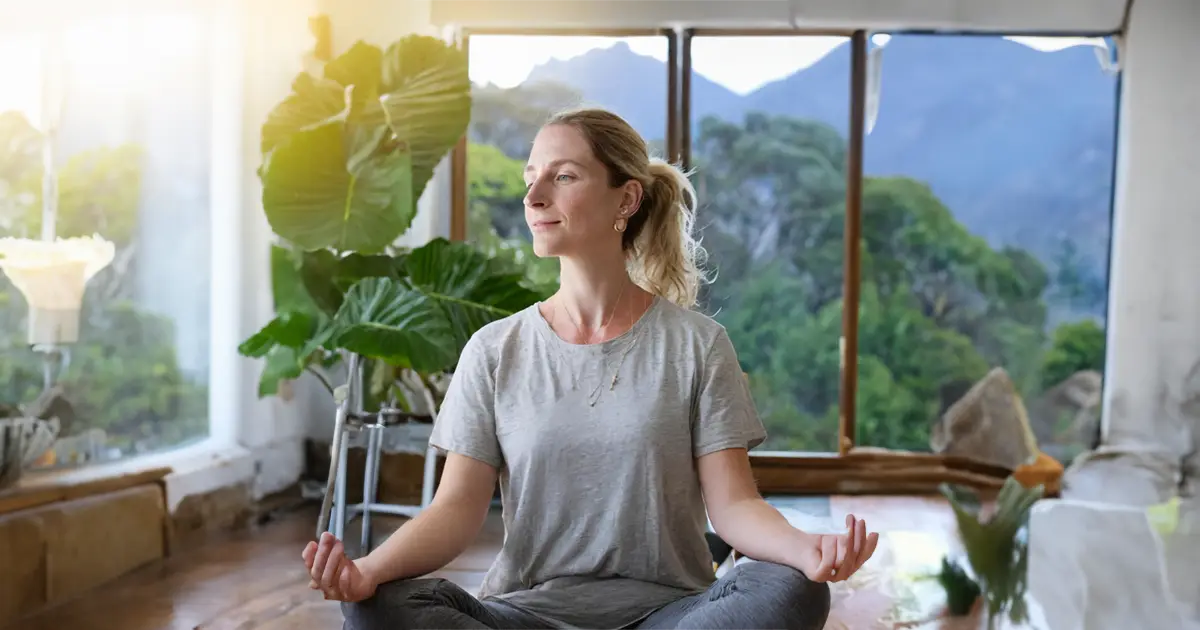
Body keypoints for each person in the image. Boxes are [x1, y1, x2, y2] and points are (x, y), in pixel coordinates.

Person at [302, 107, 880, 630]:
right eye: (532, 177)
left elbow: (733, 507)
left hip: (670, 615)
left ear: (626, 200)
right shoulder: (493, 349)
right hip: (527, 616)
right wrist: (367, 571)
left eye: (564, 176)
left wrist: (807, 550)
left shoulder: (698, 346)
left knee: (788, 587)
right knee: (379, 607)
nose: (533, 197)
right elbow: (455, 511)